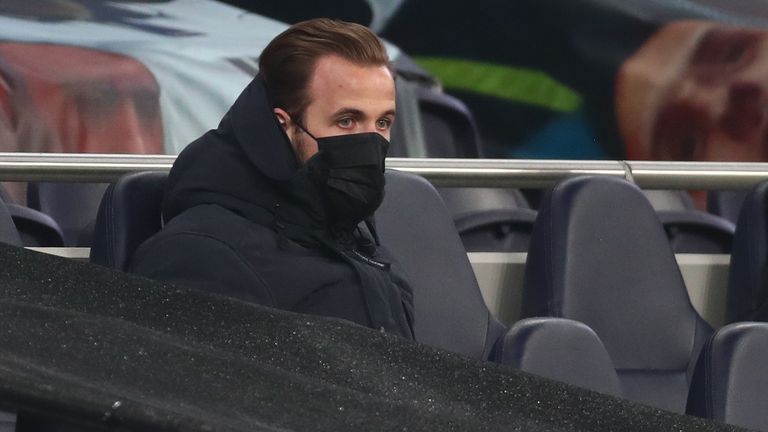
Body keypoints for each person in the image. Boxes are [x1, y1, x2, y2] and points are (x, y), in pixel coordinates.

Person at [129, 18, 415, 339]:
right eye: (346, 121)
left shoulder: (358, 242)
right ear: (284, 125)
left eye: (382, 123)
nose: (370, 143)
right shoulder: (198, 255)